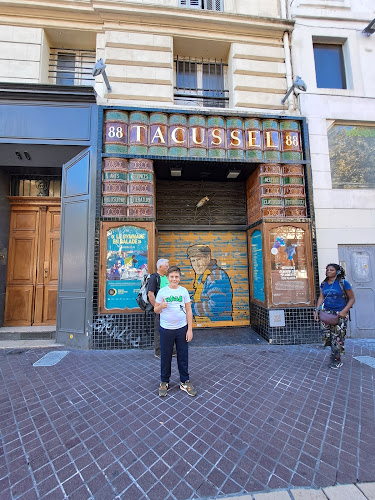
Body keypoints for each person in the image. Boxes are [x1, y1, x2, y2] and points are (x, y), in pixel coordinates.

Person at [154, 266, 197, 397]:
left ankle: (185, 381)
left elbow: (189, 311)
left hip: (181, 328)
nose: (174, 279)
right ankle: (164, 382)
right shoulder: (162, 291)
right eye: (172, 277)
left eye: (176, 277)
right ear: (167, 278)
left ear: (179, 278)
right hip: (166, 329)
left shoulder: (183, 291)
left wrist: (190, 329)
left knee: (183, 356)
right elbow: (156, 309)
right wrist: (161, 306)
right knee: (165, 356)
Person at [314, 263, 355, 369]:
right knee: (327, 336)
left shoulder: (343, 283)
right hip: (327, 313)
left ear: (337, 272)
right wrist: (317, 310)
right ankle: (334, 353)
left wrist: (344, 311)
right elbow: (321, 297)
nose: (328, 271)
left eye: (331, 270)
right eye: (327, 270)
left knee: (337, 338)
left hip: (339, 314)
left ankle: (337, 359)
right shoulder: (324, 284)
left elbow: (352, 299)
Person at [187, 244, 233, 322]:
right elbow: (201, 297)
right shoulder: (203, 275)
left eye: (199, 260)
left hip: (217, 327)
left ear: (208, 258)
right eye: (193, 261)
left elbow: (216, 306)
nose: (196, 265)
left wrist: (190, 306)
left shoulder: (215, 276)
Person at [147, 258, 170, 358]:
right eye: (166, 266)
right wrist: (157, 307)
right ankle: (159, 352)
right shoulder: (154, 278)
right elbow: (150, 294)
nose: (168, 268)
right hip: (160, 309)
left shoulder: (166, 277)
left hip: (168, 309)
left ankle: (171, 350)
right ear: (160, 267)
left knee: (170, 329)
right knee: (160, 331)